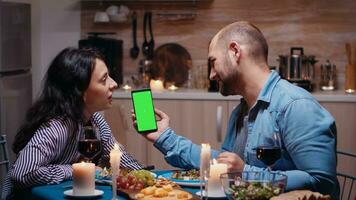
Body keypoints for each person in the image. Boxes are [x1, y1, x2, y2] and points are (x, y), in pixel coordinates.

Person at [132, 21, 339, 198]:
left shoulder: (295, 106)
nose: (212, 75)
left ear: (235, 51)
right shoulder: (241, 111)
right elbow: (226, 166)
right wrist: (164, 137)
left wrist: (245, 174)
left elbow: (322, 183)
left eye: (213, 62)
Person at [1, 47, 142, 199]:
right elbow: (22, 173)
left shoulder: (96, 120)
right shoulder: (58, 126)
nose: (114, 83)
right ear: (80, 92)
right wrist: (75, 170)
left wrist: (148, 178)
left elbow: (120, 159)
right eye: (104, 79)